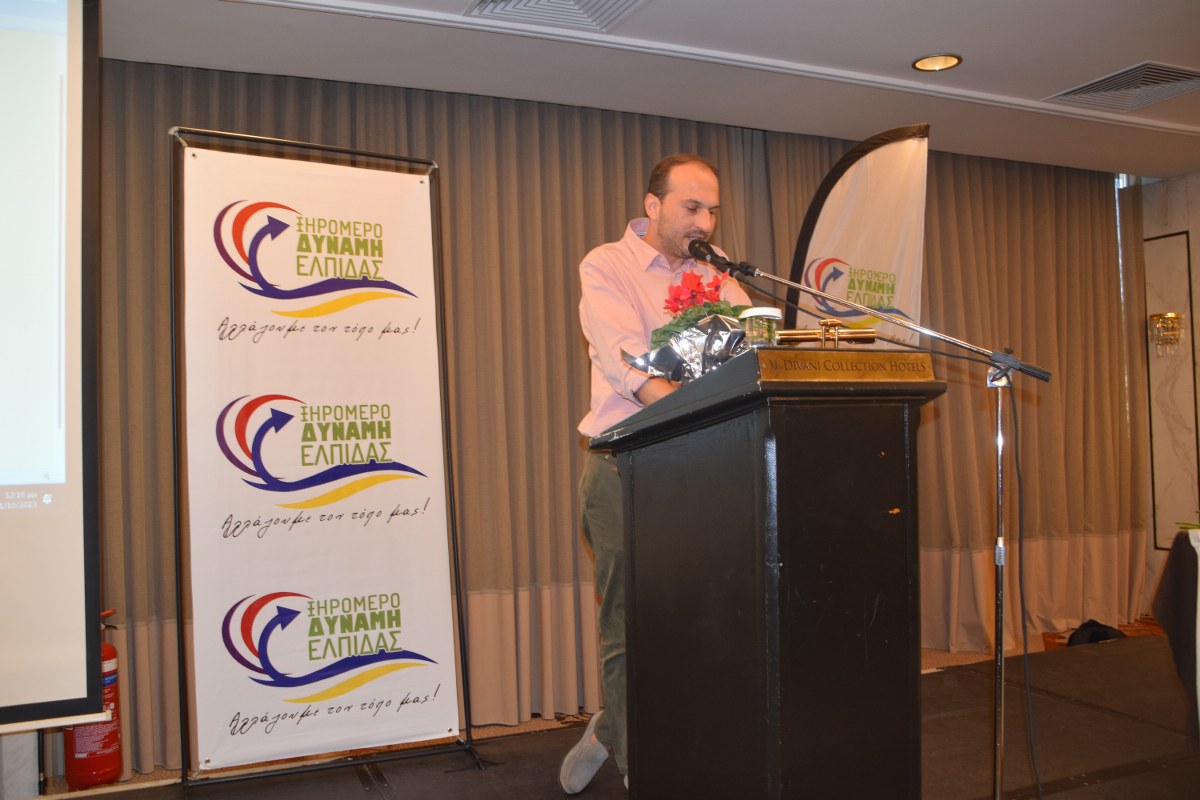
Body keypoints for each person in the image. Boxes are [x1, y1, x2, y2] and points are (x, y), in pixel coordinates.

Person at [560, 154, 751, 794]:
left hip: (706, 466)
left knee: (703, 614)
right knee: (630, 619)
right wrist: (687, 411)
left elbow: (754, 354)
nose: (705, 222)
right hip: (624, 465)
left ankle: (618, 726)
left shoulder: (717, 272)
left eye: (712, 209)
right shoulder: (606, 265)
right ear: (653, 205)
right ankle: (639, 763)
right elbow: (627, 365)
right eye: (691, 207)